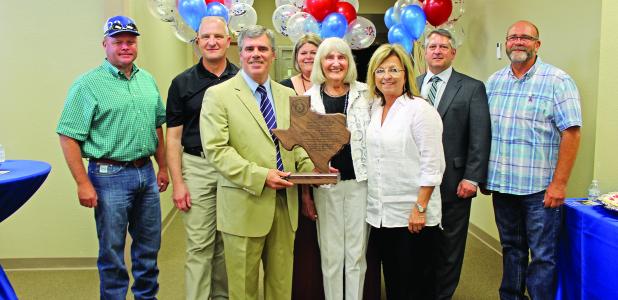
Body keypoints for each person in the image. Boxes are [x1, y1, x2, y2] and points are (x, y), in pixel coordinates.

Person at [56, 15, 168, 299]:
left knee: (149, 248)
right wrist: (82, 183)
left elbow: (157, 126)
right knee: (112, 252)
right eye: (118, 41)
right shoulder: (88, 85)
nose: (125, 46)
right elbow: (68, 135)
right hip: (108, 177)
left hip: (146, 174)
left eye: (130, 41)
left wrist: (163, 166)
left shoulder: (147, 81)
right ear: (105, 44)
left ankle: (147, 296)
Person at [199, 25, 314, 300]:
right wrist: (261, 176)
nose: (255, 54)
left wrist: (315, 168)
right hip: (244, 204)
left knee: (281, 286)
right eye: (249, 48)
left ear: (273, 54)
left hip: (285, 205)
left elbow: (298, 146)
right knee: (243, 289)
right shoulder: (218, 95)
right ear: (240, 54)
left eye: (262, 48)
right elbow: (217, 150)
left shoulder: (290, 97)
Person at [485, 20, 581, 300]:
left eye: (525, 38)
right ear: (506, 44)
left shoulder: (558, 81)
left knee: (542, 256)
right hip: (503, 187)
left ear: (537, 45)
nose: (518, 42)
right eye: (513, 37)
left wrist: (559, 185)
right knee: (511, 249)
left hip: (540, 191)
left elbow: (572, 134)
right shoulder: (494, 82)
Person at [365, 43, 445, 299]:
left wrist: (419, 208)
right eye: (380, 70)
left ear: (405, 73)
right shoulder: (375, 108)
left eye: (393, 70)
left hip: (412, 217)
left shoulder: (420, 110)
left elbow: (433, 164)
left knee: (416, 286)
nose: (386, 76)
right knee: (395, 283)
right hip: (382, 214)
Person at [166, 16, 238, 300]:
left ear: (228, 41)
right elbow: (173, 138)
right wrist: (179, 183)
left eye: (218, 36)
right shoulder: (181, 83)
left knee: (226, 242)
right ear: (197, 42)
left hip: (233, 167)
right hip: (197, 166)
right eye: (206, 37)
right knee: (199, 245)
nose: (212, 42)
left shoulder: (241, 80)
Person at [416, 28, 491, 300]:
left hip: (455, 182)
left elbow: (480, 136)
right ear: (424, 52)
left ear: (453, 53)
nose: (437, 51)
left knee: (449, 247)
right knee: (422, 244)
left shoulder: (471, 87)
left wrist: (472, 178)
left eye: (443, 47)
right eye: (432, 46)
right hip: (418, 182)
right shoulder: (413, 84)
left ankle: (442, 295)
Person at [305, 37, 372, 300]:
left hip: (360, 185)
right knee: (331, 256)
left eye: (341, 57)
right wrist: (307, 192)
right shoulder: (308, 98)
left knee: (356, 255)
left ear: (349, 62)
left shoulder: (367, 94)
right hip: (325, 187)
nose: (335, 63)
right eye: (329, 57)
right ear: (320, 62)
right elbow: (302, 148)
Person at [279, 33, 325, 300]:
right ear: (296, 57)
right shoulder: (284, 87)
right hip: (295, 171)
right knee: (299, 237)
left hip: (325, 169)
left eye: (313, 52)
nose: (308, 57)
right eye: (303, 52)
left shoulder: (330, 84)